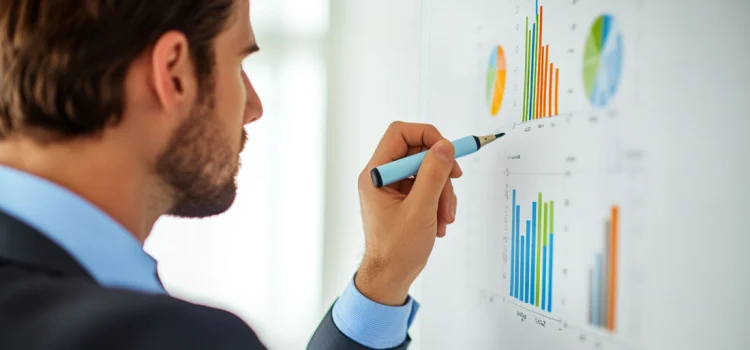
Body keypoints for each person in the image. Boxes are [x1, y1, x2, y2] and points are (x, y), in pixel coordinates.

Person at [0, 1, 461, 349]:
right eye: (239, 62)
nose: (255, 107)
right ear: (174, 73)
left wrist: (382, 278)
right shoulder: (158, 337)